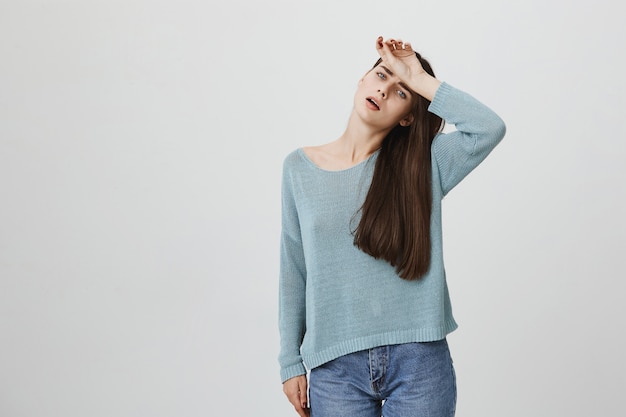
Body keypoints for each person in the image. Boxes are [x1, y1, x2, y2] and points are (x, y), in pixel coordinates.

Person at [278, 36, 506, 417]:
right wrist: (289, 361)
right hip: (334, 366)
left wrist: (417, 75)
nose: (384, 90)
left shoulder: (425, 163)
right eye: (381, 75)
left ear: (409, 115)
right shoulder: (299, 169)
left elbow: (489, 128)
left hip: (419, 361)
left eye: (401, 92)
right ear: (362, 79)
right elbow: (293, 267)